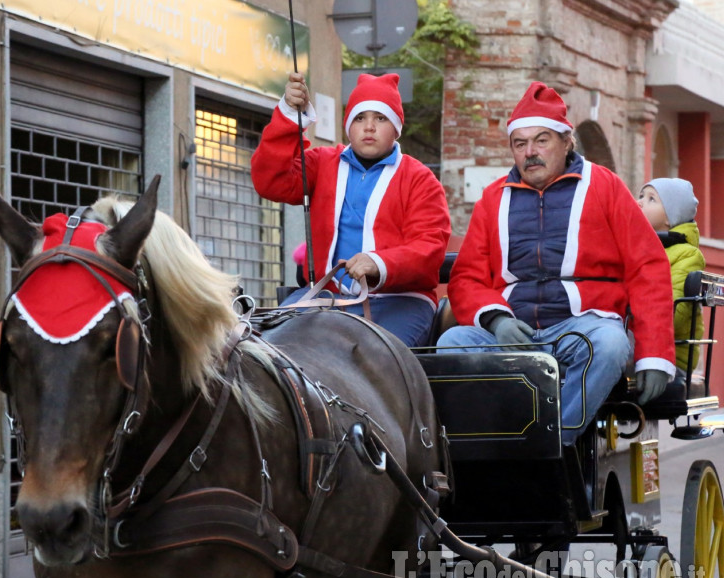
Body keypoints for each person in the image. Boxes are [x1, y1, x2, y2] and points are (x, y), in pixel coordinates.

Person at [437, 81, 676, 444]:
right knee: (453, 343)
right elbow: (466, 277)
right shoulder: (493, 198)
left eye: (542, 140)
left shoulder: (605, 186)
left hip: (581, 330)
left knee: (609, 345)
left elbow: (648, 268)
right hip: (512, 332)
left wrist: (655, 355)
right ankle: (495, 441)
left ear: (566, 142)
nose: (530, 152)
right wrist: (497, 320)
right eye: (520, 143)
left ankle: (553, 442)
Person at [251, 72, 451, 346]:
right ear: (349, 126)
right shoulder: (322, 163)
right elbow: (270, 181)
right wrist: (288, 114)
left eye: (380, 118)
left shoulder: (420, 179)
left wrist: (379, 263)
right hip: (326, 296)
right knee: (267, 350)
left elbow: (429, 247)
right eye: (360, 118)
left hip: (399, 301)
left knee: (383, 361)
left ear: (396, 127)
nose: (369, 127)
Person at [638, 178, 705, 373]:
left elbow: (674, 314)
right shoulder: (636, 247)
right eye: (641, 195)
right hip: (636, 340)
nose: (640, 201)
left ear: (670, 217)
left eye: (651, 199)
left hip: (671, 353)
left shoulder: (688, 254)